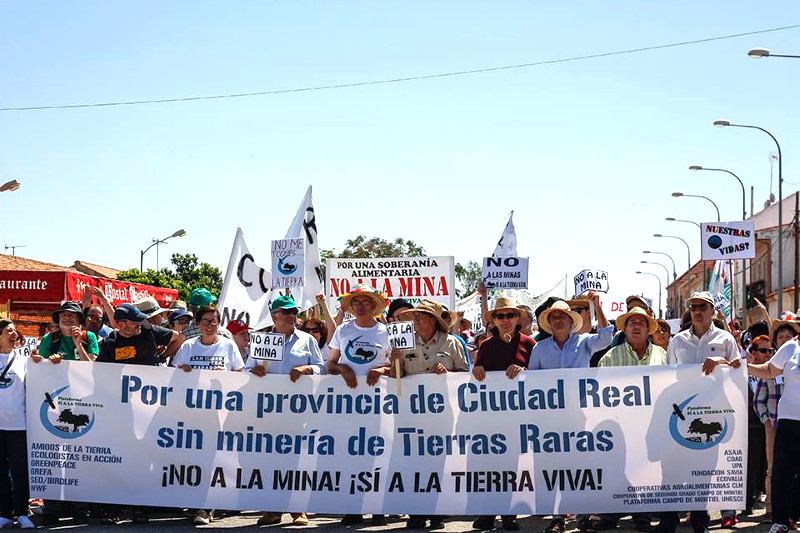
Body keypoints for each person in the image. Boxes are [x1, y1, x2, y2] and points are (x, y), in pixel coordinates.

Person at [661, 291, 741, 533]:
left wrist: (721, 362)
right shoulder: (677, 341)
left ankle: (700, 522)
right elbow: (667, 375)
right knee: (672, 470)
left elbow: (739, 368)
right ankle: (668, 522)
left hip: (711, 413)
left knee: (703, 472)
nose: (697, 311)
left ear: (713, 311)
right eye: (693, 306)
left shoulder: (725, 339)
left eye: (702, 307)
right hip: (681, 414)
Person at [247, 295, 324, 526]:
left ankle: (299, 510)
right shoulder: (262, 341)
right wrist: (256, 371)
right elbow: (248, 368)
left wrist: (306, 368)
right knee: (271, 461)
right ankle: (272, 510)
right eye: (285, 312)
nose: (291, 316)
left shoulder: (307, 340)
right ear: (274, 316)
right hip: (270, 411)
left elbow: (321, 368)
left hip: (300, 411)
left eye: (293, 312)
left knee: (298, 460)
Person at [592, 307, 665, 532]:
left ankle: (642, 516)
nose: (636, 326)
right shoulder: (610, 357)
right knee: (616, 469)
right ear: (624, 328)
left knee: (644, 469)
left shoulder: (662, 355)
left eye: (641, 323)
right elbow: (599, 391)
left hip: (650, 424)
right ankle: (610, 514)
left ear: (647, 329)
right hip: (619, 424)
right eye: (631, 322)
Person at [170, 305, 243, 525]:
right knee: (193, 459)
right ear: (198, 324)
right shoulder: (189, 346)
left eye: (214, 321)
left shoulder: (229, 346)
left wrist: (227, 376)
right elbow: (173, 376)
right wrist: (181, 371)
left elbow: (240, 376)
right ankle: (195, 502)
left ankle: (206, 506)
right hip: (192, 413)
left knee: (213, 459)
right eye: (205, 321)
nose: (210, 325)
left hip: (219, 414)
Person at [326, 284, 390, 526]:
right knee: (351, 454)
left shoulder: (386, 332)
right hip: (348, 405)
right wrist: (342, 367)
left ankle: (378, 509)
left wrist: (382, 369)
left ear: (374, 305)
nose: (361, 306)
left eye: (366, 301)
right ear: (350, 307)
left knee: (378, 455)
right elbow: (330, 364)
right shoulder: (342, 331)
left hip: (379, 405)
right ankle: (353, 507)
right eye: (356, 302)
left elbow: (397, 367)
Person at [471, 296, 535, 532]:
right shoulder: (485, 345)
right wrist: (477, 369)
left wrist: (525, 371)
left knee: (512, 466)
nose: (505, 319)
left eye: (510, 315)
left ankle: (509, 514)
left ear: (518, 318)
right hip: (489, 418)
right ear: (494, 321)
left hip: (518, 416)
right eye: (500, 316)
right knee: (488, 466)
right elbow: (478, 374)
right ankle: (487, 514)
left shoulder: (529, 343)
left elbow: (540, 379)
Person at [747, 334, 800, 533]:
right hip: (787, 420)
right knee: (781, 473)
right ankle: (781, 521)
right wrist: (745, 367)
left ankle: (793, 514)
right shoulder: (790, 348)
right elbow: (770, 370)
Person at [0, 320, 34, 528]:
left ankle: (22, 512)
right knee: (0, 471)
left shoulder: (24, 361)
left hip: (18, 426)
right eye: (9, 330)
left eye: (15, 331)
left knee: (21, 471)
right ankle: (4, 512)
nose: (15, 334)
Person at [528, 292, 612, 371]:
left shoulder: (584, 342)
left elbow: (606, 339)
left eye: (562, 316)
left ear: (571, 321)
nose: (557, 320)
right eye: (553, 317)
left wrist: (598, 307)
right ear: (549, 322)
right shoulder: (539, 348)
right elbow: (532, 379)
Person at [97, 304, 184, 367]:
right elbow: (99, 370)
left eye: (140, 320)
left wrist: (162, 357)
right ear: (121, 324)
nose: (139, 324)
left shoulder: (149, 331)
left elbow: (180, 338)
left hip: (150, 388)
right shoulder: (109, 343)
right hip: (122, 390)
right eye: (135, 322)